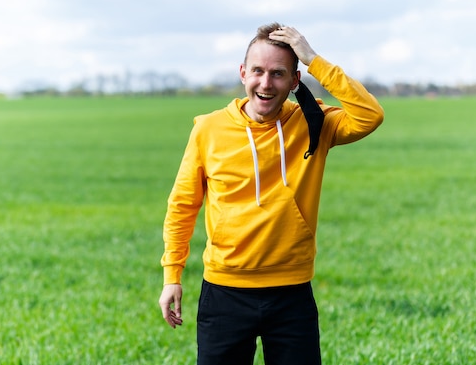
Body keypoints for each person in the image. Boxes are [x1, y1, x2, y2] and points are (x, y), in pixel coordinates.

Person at [158, 23, 384, 365]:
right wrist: (172, 275)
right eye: (258, 71)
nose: (266, 83)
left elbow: (370, 115)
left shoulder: (313, 122)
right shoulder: (208, 129)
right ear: (243, 73)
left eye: (278, 74)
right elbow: (182, 204)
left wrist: (314, 60)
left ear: (295, 81)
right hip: (224, 292)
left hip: (291, 293)